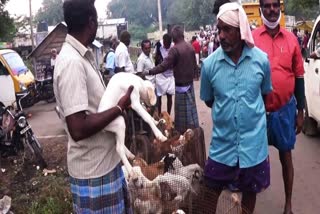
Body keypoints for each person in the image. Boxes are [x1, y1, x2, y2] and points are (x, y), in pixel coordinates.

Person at [53, 0, 133, 212]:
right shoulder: (72, 63)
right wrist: (118, 108)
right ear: (91, 22)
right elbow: (78, 128)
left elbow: (94, 107)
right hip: (94, 174)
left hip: (105, 166)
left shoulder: (83, 56)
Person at [200, 2, 272, 214]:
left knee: (249, 195)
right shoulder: (209, 66)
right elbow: (209, 100)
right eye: (219, 29)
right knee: (209, 194)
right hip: (222, 148)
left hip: (254, 149)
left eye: (227, 30)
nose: (221, 35)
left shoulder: (261, 61)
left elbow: (264, 95)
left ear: (241, 31)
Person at [252, 0, 305, 213]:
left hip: (284, 110)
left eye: (276, 5)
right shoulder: (252, 39)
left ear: (279, 9)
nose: (272, 10)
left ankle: (288, 204)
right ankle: (250, 204)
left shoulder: (292, 39)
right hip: (257, 111)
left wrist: (301, 110)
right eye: (267, 6)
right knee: (253, 160)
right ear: (260, 9)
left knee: (286, 157)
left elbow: (299, 76)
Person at [143, 26, 199, 134]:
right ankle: (193, 130)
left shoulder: (175, 50)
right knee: (191, 112)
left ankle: (183, 135)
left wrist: (149, 71)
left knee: (182, 117)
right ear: (182, 35)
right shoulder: (190, 47)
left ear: (174, 38)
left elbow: (163, 66)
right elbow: (195, 66)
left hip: (180, 86)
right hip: (189, 84)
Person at [153, 33, 175, 115]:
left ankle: (168, 114)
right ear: (163, 41)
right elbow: (156, 58)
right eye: (166, 44)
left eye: (169, 44)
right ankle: (159, 114)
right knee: (159, 96)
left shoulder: (173, 46)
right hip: (161, 74)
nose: (167, 46)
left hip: (170, 74)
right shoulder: (158, 45)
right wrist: (161, 62)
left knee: (170, 95)